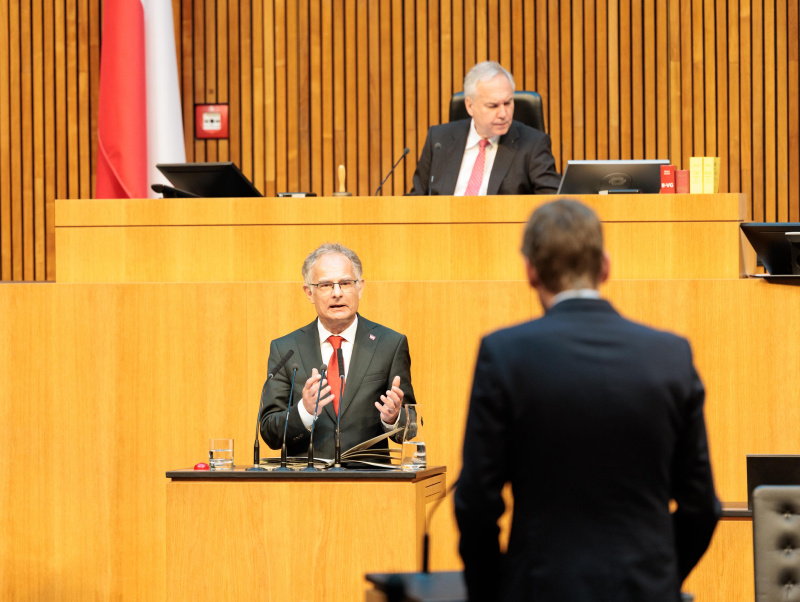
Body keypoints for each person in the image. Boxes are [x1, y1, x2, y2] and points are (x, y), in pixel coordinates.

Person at [454, 199, 720, 602]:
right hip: (645, 587)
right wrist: (660, 577)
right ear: (606, 266)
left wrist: (493, 592)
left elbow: (476, 503)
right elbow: (701, 505)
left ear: (530, 271)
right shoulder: (671, 355)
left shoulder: (504, 354)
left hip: (541, 587)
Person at [258, 243, 416, 460]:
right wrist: (304, 410)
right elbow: (269, 433)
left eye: (345, 283)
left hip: (372, 484)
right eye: (325, 285)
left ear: (359, 287)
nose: (337, 293)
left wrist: (394, 417)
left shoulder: (390, 344)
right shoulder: (286, 349)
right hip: (303, 483)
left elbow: (412, 426)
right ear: (309, 292)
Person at [409, 61, 560, 196]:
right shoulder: (439, 140)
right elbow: (415, 203)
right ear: (470, 106)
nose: (503, 114)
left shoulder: (533, 145)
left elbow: (553, 204)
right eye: (493, 106)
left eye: (508, 103)